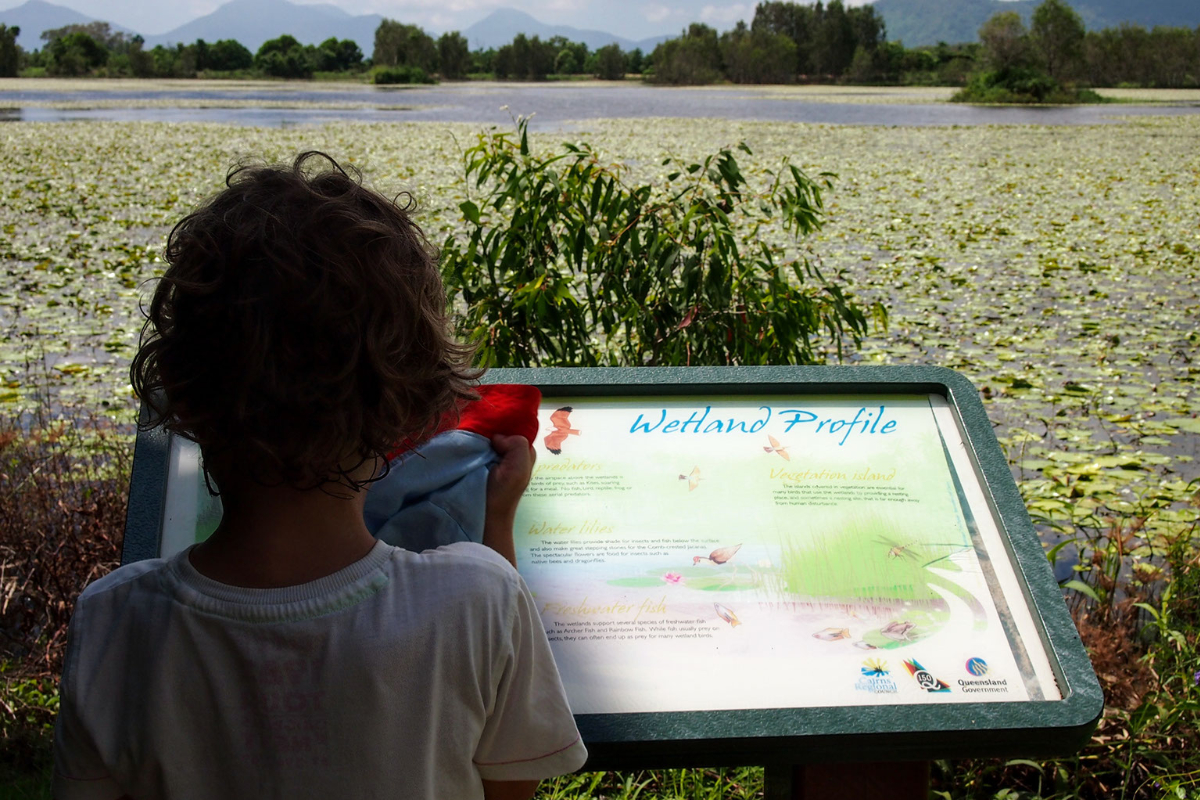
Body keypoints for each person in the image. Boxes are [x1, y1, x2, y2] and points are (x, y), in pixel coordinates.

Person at [52, 152, 587, 800]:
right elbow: (510, 786)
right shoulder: (476, 601)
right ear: (405, 407)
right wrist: (497, 517)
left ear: (182, 392)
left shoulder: (115, 622)